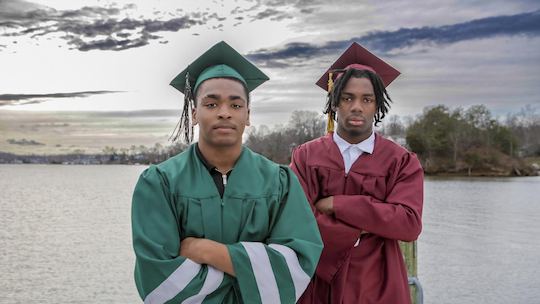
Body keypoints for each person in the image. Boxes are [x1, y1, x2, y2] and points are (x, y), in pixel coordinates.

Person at [131, 41, 322, 304]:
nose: (224, 113)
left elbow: (296, 265)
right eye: (211, 105)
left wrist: (207, 251)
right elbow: (158, 278)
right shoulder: (160, 182)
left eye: (235, 105)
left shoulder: (280, 182)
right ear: (195, 113)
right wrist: (250, 273)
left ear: (248, 115)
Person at [290, 42, 424, 304]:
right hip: (317, 279)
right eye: (348, 98)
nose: (357, 107)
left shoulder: (401, 161)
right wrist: (371, 224)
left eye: (367, 99)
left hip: (378, 281)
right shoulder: (306, 156)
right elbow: (296, 220)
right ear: (334, 102)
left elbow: (408, 223)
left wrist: (336, 204)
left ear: (377, 106)